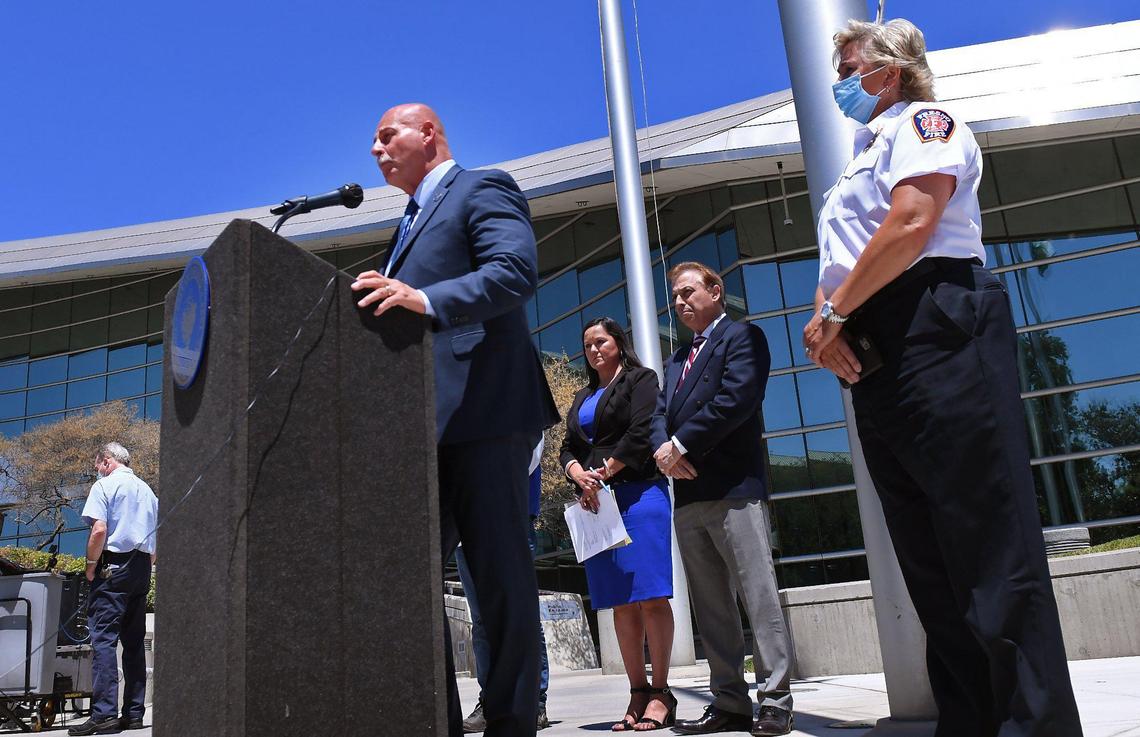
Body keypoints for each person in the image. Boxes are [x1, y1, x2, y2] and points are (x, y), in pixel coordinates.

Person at [803, 19, 1083, 737]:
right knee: (929, 563)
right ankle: (970, 721)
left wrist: (835, 309)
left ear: (889, 70)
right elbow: (841, 262)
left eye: (849, 64)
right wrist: (828, 325)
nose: (841, 80)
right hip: (877, 344)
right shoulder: (857, 158)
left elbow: (912, 221)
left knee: (991, 549)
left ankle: (1035, 724)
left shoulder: (926, 123)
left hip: (939, 325)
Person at [353, 103, 559, 737]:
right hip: (426, 428)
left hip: (487, 409)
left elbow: (514, 271)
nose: (376, 149)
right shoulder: (406, 224)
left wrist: (426, 299)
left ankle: (511, 720)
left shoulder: (482, 187)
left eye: (388, 136)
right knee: (405, 576)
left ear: (429, 134)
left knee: (499, 578)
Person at [651, 263, 794, 737]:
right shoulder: (674, 360)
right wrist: (663, 451)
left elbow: (735, 399)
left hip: (734, 490)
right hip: (688, 496)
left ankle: (774, 701)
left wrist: (681, 445)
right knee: (712, 609)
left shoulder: (742, 337)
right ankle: (729, 702)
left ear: (716, 291)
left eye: (688, 292)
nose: (680, 302)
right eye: (675, 296)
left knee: (758, 598)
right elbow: (658, 414)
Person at [559, 317, 675, 732]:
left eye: (601, 341)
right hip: (597, 504)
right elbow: (568, 446)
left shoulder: (640, 379)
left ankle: (661, 693)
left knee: (651, 596)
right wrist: (578, 473)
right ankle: (637, 692)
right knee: (621, 602)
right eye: (587, 344)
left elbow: (641, 431)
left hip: (639, 494)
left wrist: (603, 472)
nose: (593, 350)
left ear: (618, 343)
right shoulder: (581, 395)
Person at [458, 437, 551, 733]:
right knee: (482, 622)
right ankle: (491, 701)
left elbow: (528, 456)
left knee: (522, 617)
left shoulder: (518, 401)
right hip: (466, 523)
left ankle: (533, 703)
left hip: (510, 517)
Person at [69, 442, 157, 736]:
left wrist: (91, 564)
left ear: (106, 461)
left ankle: (104, 713)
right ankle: (133, 714)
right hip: (142, 567)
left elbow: (99, 530)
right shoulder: (148, 491)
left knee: (103, 639)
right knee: (133, 642)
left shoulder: (105, 486)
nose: (97, 472)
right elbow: (156, 540)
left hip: (113, 567)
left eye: (97, 466)